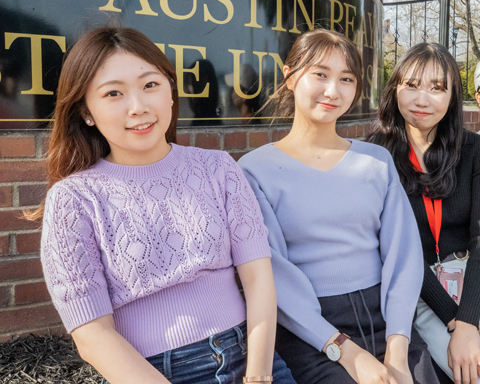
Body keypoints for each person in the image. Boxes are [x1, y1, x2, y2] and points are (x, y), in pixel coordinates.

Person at [32, 27, 296, 384]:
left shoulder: (217, 168)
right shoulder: (75, 199)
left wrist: (260, 375)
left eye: (150, 85)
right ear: (86, 112)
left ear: (171, 91)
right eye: (113, 93)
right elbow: (92, 336)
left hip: (254, 358)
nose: (138, 106)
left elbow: (259, 278)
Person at [238, 28, 439, 384]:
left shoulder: (375, 160)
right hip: (310, 329)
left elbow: (403, 256)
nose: (333, 91)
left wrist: (397, 346)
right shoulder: (254, 171)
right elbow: (273, 278)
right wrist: (345, 352)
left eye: (346, 78)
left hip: (388, 319)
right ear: (289, 77)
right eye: (320, 74)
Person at [368, 43, 480, 384]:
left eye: (437, 88)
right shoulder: (373, 155)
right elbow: (394, 250)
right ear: (395, 88)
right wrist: (453, 321)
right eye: (411, 85)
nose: (422, 99)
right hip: (416, 289)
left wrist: (469, 320)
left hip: (472, 281)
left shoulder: (474, 149)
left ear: (452, 97)